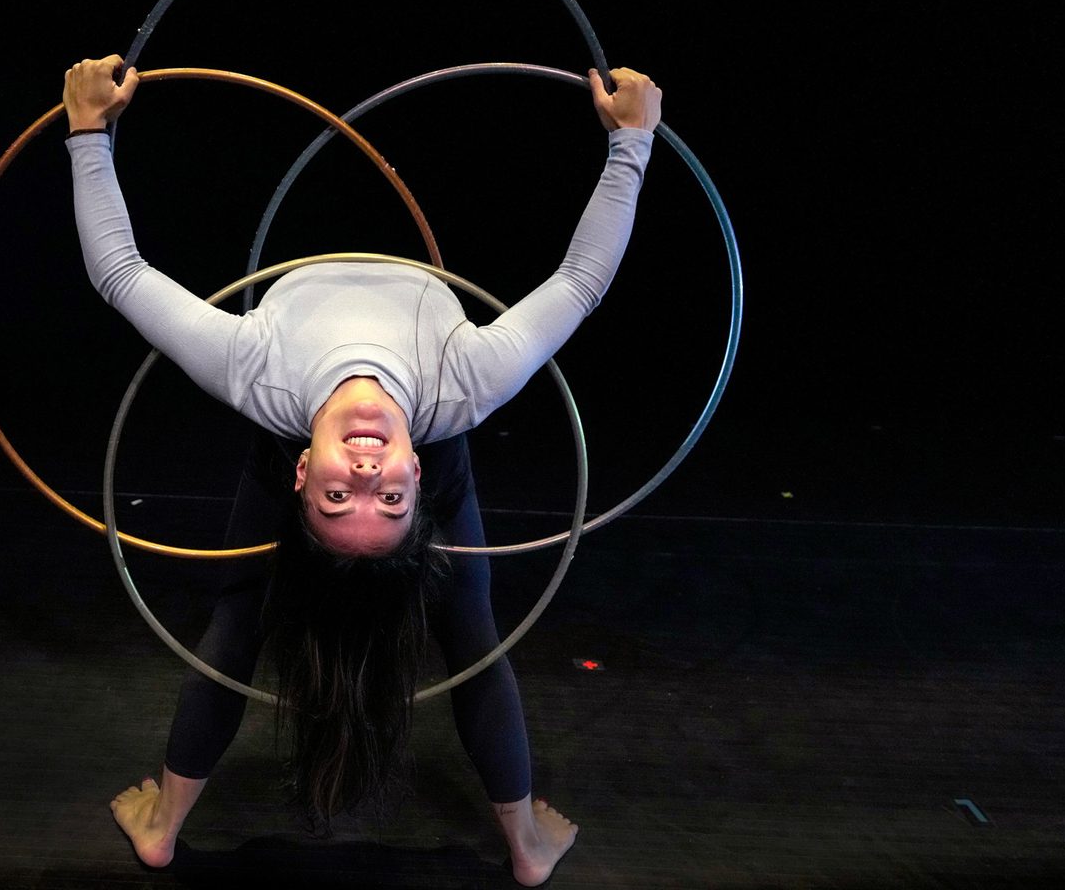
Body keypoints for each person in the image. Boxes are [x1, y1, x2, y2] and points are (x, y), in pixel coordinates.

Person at [62, 53, 660, 885]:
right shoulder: (467, 386)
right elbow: (584, 279)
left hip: (284, 412)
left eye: (343, 492)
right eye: (390, 493)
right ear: (419, 474)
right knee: (474, 627)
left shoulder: (254, 373)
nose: (370, 466)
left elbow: (119, 273)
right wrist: (632, 141)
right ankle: (527, 846)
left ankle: (165, 825)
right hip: (432, 422)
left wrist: (88, 130)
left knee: (240, 616)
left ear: (301, 475)